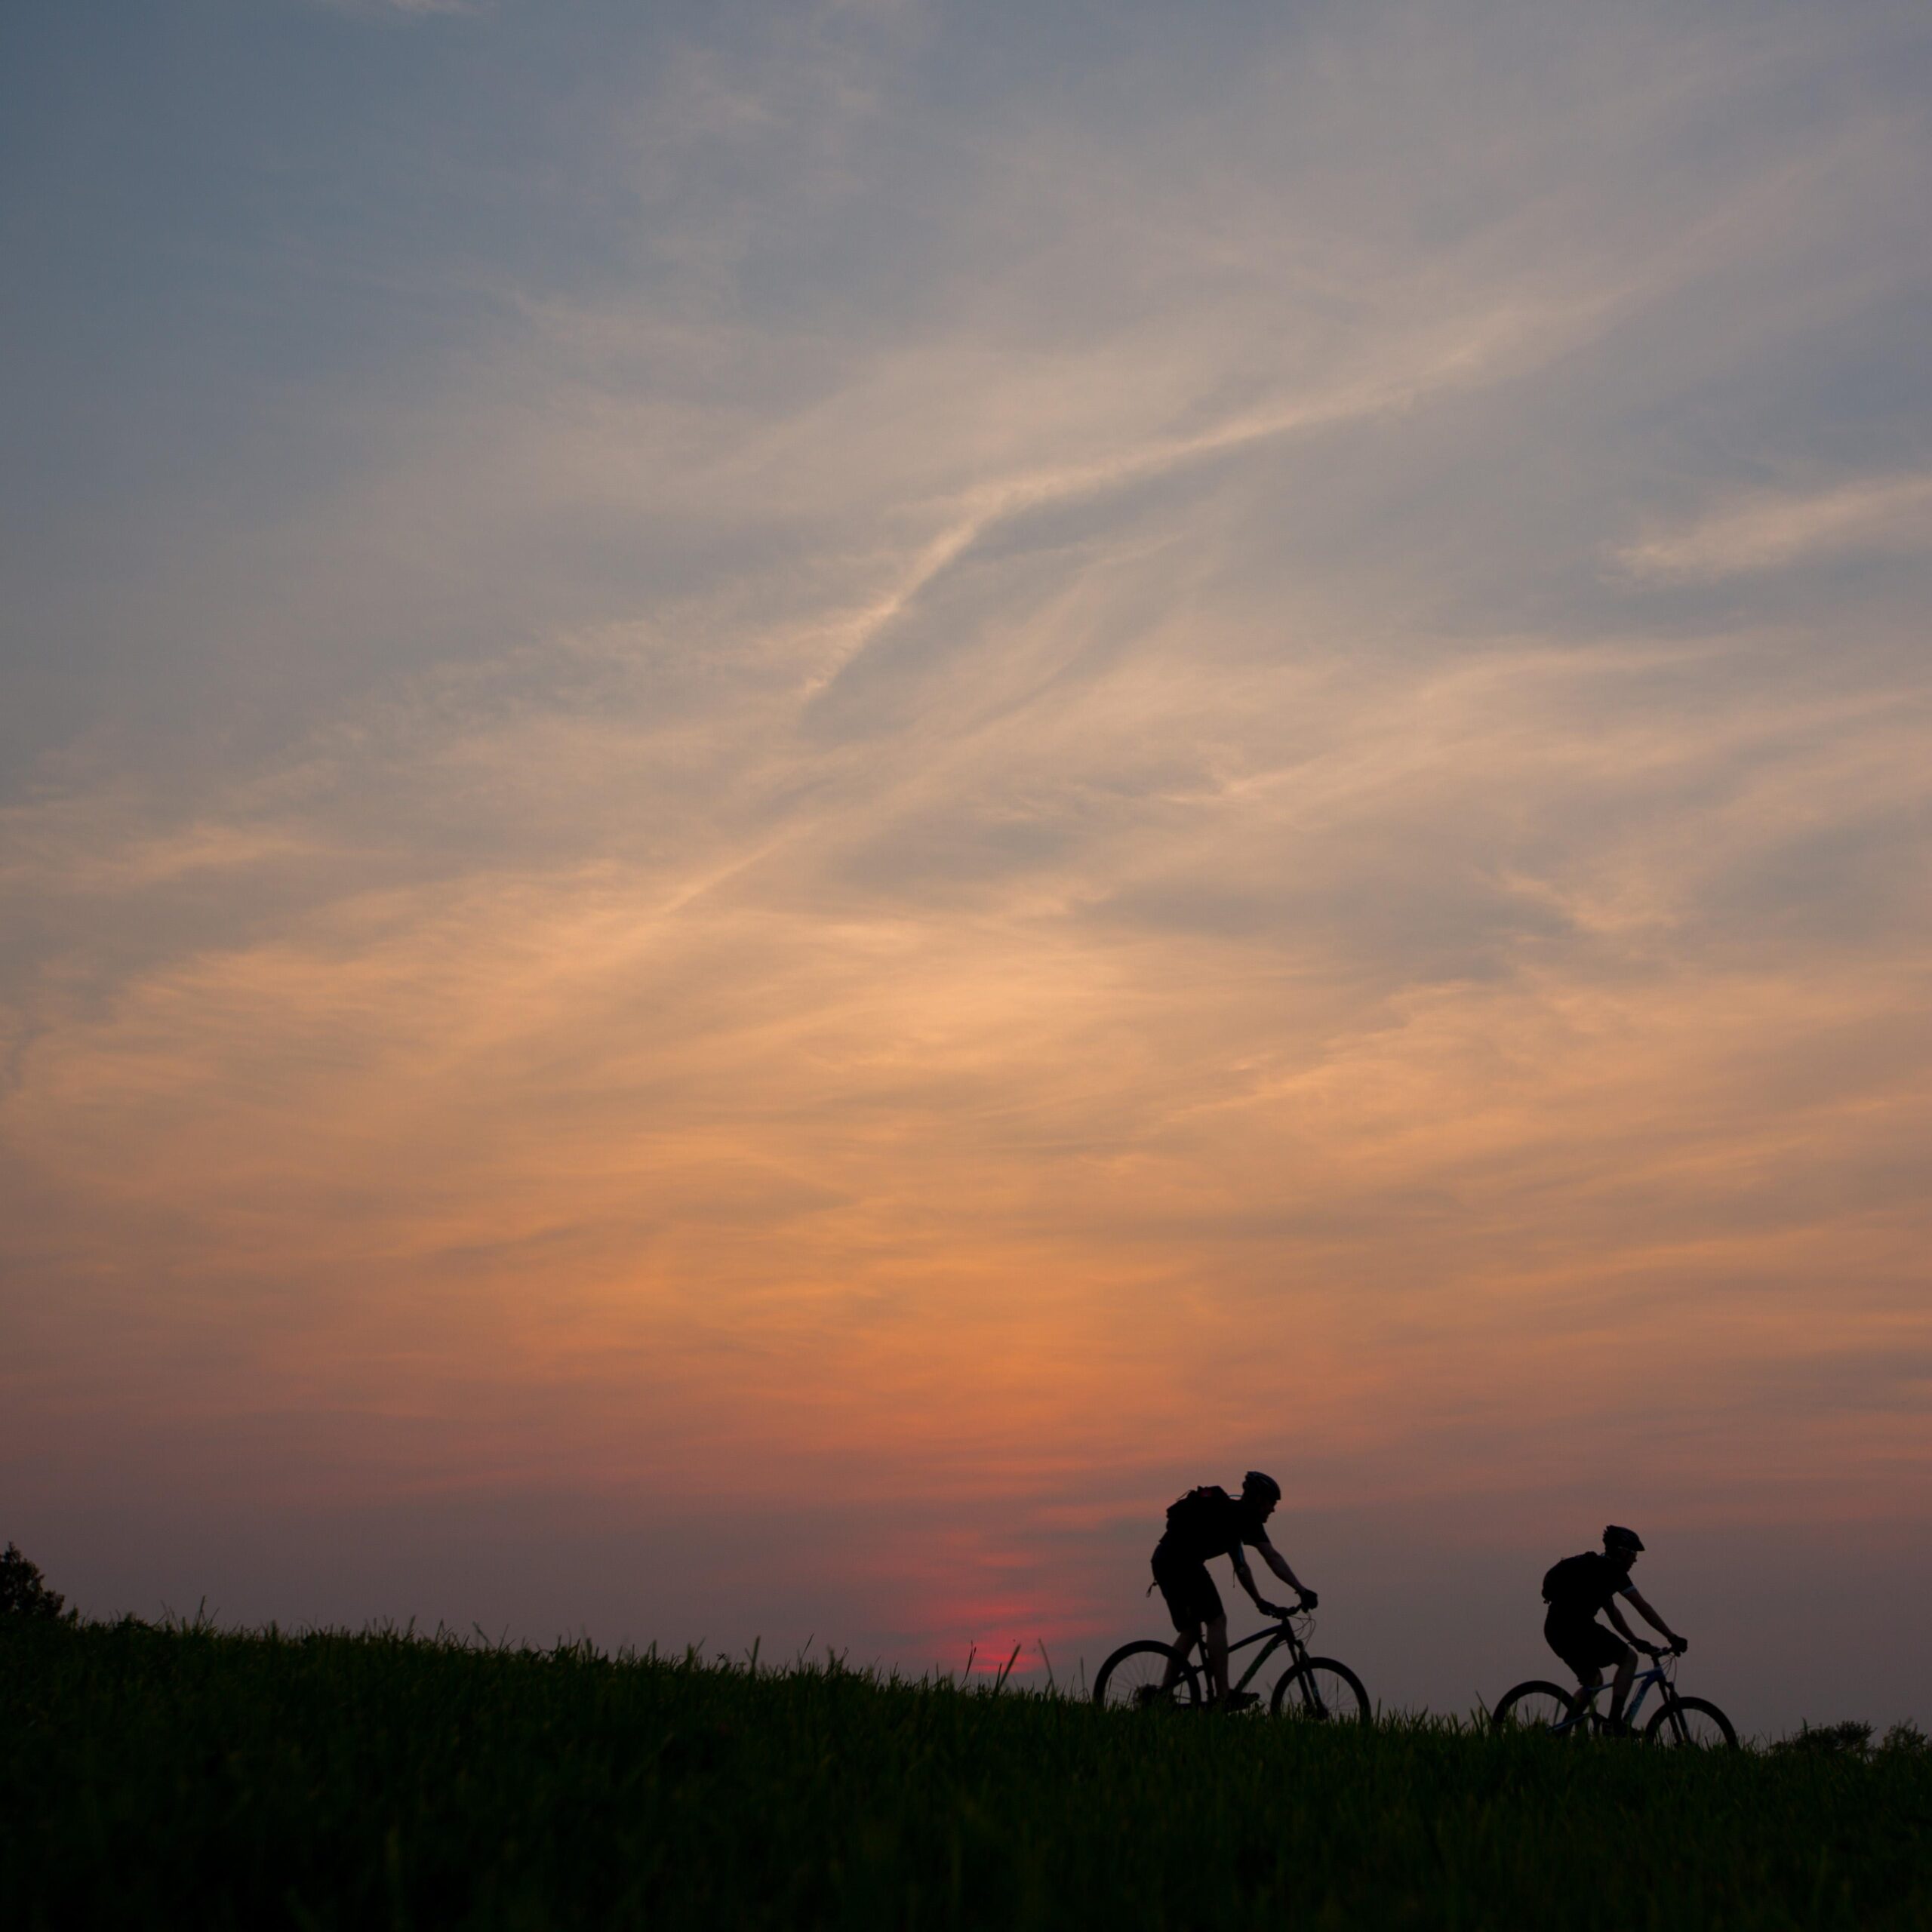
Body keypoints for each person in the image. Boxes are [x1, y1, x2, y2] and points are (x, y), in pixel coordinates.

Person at [1149, 1471, 1315, 1709]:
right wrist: (1301, 1589)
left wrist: (1259, 1601)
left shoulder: (1232, 1516)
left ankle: (1163, 1695)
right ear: (1259, 1499)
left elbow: (1241, 1567)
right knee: (1217, 1620)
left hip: (1165, 1561)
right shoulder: (1245, 1519)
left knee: (1191, 1629)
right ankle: (1223, 1695)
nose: (1273, 1509)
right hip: (1182, 1563)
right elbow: (1272, 1557)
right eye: (1271, 1503)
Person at [1541, 1525, 1687, 1732]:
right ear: (1622, 1551)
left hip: (1556, 1629)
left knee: (1593, 1680)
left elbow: (1614, 1614)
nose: (1635, 1560)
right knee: (1630, 1659)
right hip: (1576, 1627)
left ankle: (1561, 1732)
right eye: (1634, 1554)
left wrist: (1635, 1640)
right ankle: (1614, 1722)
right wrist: (1671, 1637)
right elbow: (1642, 1607)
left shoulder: (1595, 1568)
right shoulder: (1613, 1572)